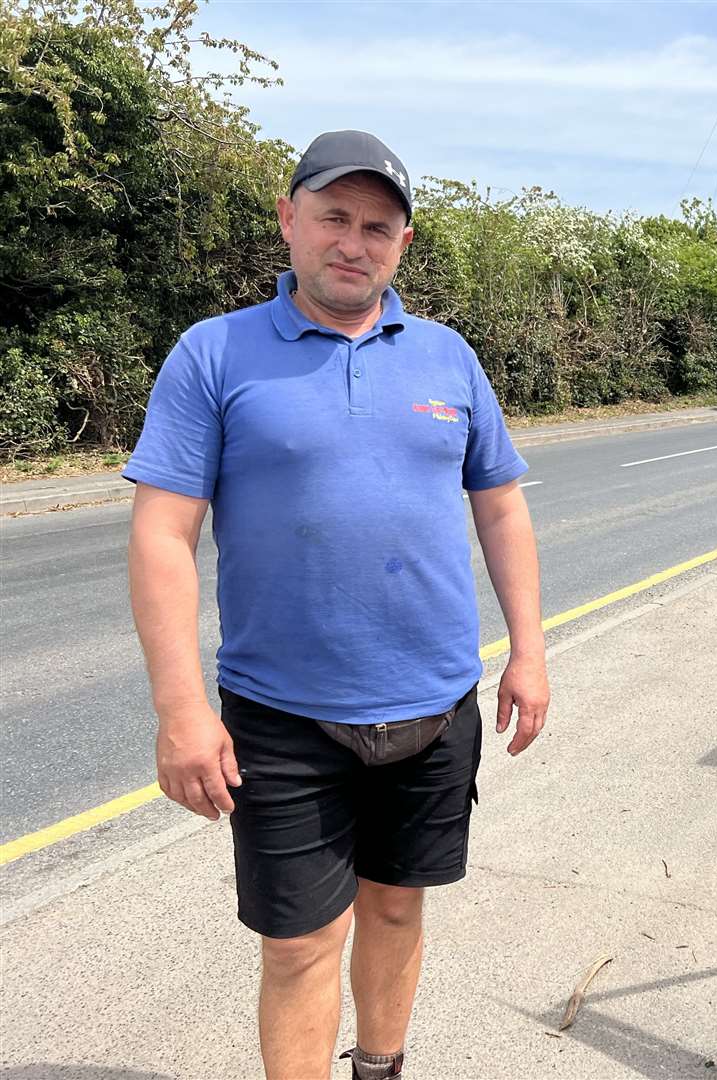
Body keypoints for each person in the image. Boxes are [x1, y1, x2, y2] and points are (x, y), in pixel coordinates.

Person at [124, 130, 549, 1080]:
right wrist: (182, 712)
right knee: (300, 944)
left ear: (401, 244)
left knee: (398, 907)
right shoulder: (214, 354)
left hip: (437, 705)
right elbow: (162, 537)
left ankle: (381, 1067)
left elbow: (502, 506)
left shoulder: (447, 357)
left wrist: (529, 648)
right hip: (282, 717)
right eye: (333, 219)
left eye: (378, 227)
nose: (353, 243)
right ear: (289, 219)